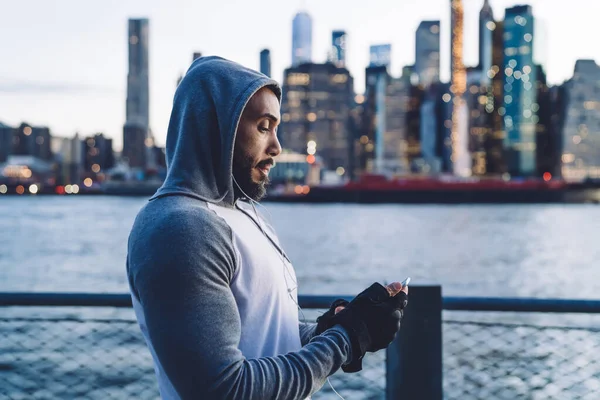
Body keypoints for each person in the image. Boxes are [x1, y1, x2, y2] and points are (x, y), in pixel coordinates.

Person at [126, 56, 409, 400]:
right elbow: (225, 388)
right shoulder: (181, 228)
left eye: (277, 129)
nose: (275, 147)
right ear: (218, 126)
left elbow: (268, 337)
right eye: (263, 126)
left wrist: (332, 327)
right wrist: (346, 339)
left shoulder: (244, 214)